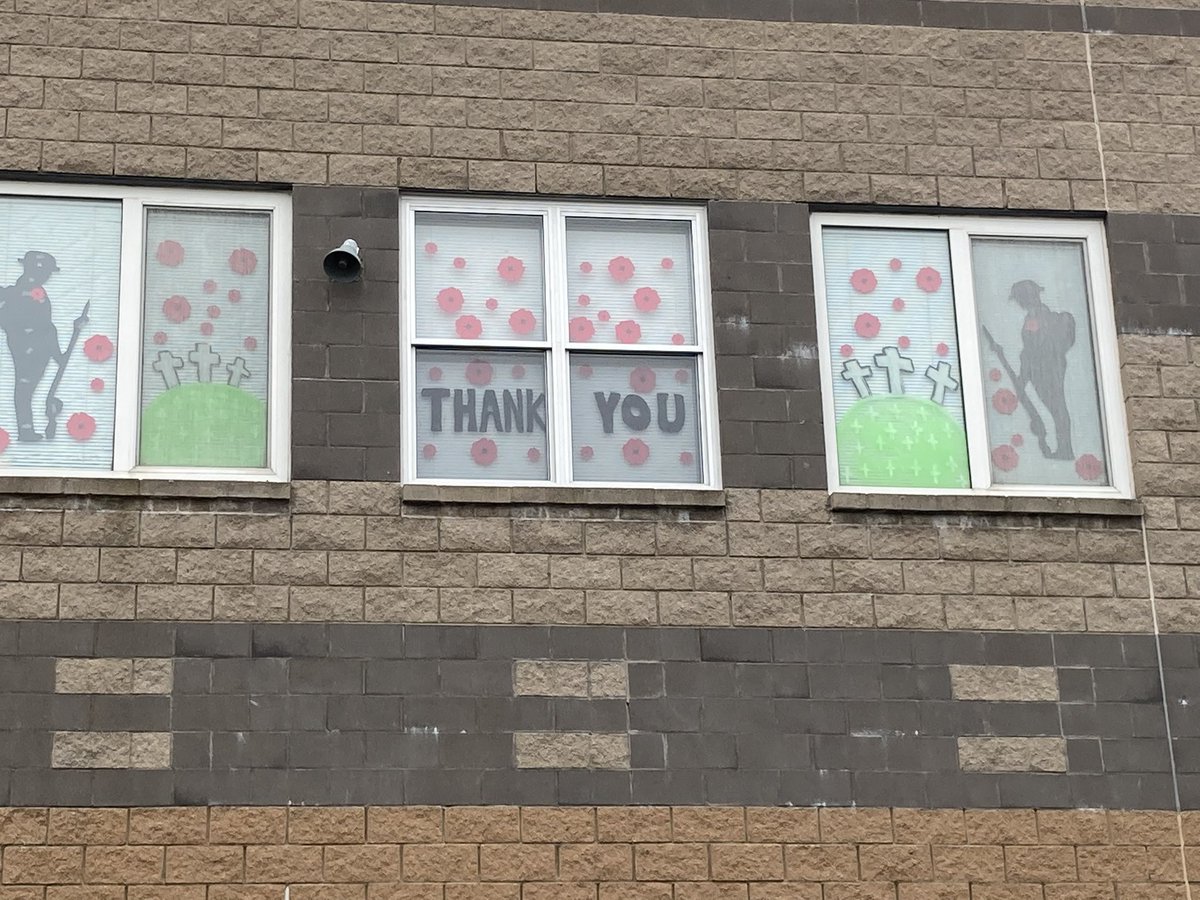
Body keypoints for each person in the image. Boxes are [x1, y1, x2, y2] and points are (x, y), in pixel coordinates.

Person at [0, 251, 65, 441]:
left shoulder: (33, 291)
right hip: (28, 348)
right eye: (46, 272)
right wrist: (25, 342)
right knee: (24, 388)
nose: (47, 276)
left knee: (25, 389)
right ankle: (25, 429)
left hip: (39, 346)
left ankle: (26, 428)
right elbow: (13, 322)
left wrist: (55, 353)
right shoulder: (20, 292)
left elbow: (46, 326)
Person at [1010, 279, 1075, 460]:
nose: (1019, 303)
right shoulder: (1035, 316)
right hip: (1043, 369)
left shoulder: (1037, 317)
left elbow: (1033, 348)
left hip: (1047, 370)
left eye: (1019, 299)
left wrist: (1023, 376)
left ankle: (1065, 448)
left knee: (1057, 408)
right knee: (1057, 408)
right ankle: (1064, 448)